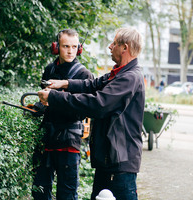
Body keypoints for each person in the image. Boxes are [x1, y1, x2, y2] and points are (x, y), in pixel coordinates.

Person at [38, 27, 145, 200]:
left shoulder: (129, 77)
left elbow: (98, 104)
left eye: (114, 43)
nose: (110, 47)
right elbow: (92, 85)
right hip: (108, 161)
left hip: (120, 165)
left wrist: (54, 97)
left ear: (125, 48)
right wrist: (64, 83)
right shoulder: (118, 73)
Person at [32, 29, 94, 200]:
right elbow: (45, 99)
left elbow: (83, 109)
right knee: (39, 191)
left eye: (74, 47)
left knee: (67, 194)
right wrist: (39, 106)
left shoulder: (84, 75)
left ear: (79, 49)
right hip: (47, 138)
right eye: (66, 46)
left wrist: (55, 99)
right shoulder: (49, 69)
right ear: (56, 47)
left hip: (69, 141)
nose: (70, 51)